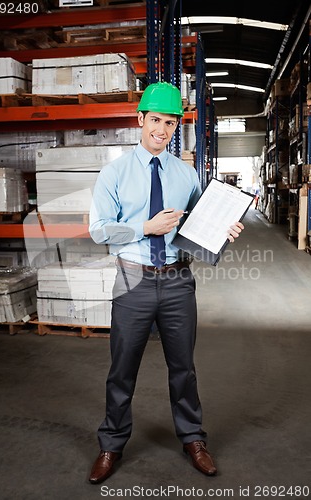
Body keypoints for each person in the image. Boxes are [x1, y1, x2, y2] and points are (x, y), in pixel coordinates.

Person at [88, 82, 244, 484]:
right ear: (140, 120)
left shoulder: (185, 174)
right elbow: (99, 230)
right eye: (155, 119)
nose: (161, 129)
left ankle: (193, 439)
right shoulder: (115, 172)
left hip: (177, 282)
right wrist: (145, 227)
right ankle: (111, 444)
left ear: (177, 126)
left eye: (170, 122)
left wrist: (223, 229)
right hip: (133, 281)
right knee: (122, 369)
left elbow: (198, 223)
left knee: (183, 369)